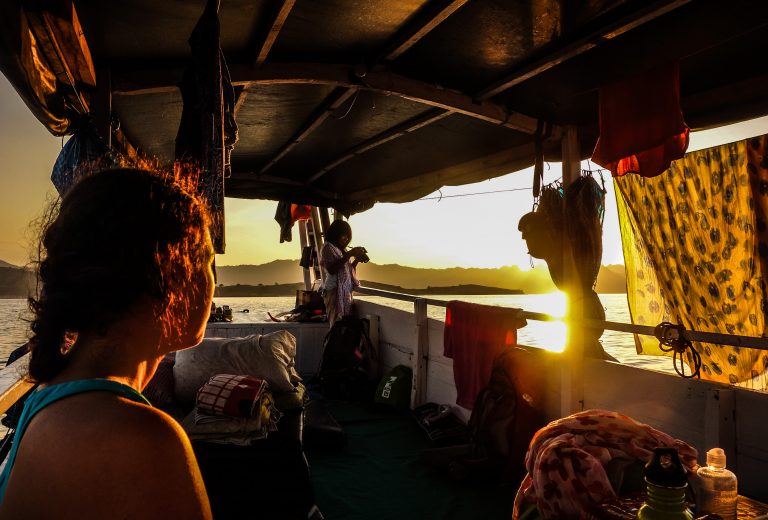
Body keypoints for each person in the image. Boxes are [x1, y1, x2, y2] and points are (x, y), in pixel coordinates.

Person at [0, 168, 214, 519]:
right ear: (170, 275)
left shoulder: (52, 391)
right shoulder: (140, 440)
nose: (212, 281)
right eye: (207, 262)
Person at [319, 220, 369, 326]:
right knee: (335, 325)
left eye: (347, 236)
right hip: (334, 291)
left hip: (344, 292)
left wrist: (356, 260)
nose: (346, 238)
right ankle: (333, 342)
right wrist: (350, 254)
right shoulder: (328, 247)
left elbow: (347, 270)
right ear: (335, 233)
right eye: (343, 235)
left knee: (343, 325)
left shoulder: (341, 249)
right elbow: (331, 269)